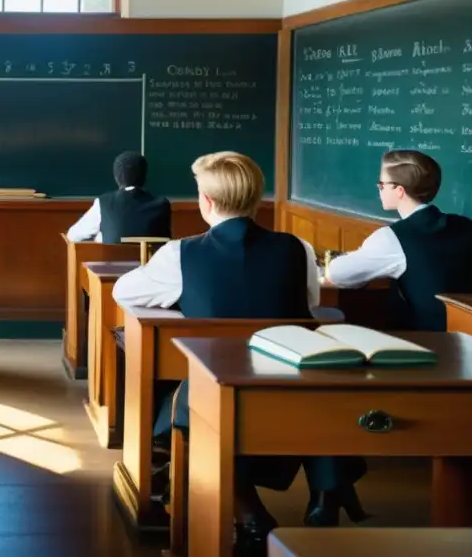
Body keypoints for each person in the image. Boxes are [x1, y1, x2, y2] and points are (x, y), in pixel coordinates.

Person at [112, 151, 365, 546]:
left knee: (179, 402)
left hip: (218, 386)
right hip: (294, 379)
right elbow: (311, 308)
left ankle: (247, 511)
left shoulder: (180, 254)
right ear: (255, 198)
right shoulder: (297, 248)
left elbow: (123, 291)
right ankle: (323, 495)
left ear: (206, 202)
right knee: (316, 392)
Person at [324, 149, 472, 331]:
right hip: (466, 339)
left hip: (426, 343)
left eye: (382, 184)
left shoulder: (392, 238)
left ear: (399, 190)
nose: (379, 189)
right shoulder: (465, 225)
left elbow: (337, 274)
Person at [66, 151, 171, 243]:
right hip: (151, 265)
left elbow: (72, 235)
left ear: (117, 177)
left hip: (112, 265)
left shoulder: (104, 203)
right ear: (145, 175)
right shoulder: (162, 205)